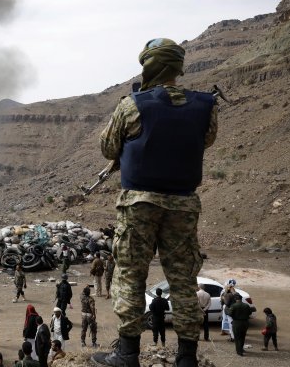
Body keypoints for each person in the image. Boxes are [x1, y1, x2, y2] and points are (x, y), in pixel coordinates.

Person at [92, 38, 218, 367]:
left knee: (130, 276)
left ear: (149, 66)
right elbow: (203, 141)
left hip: (138, 205)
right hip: (183, 205)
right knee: (183, 280)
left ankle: (127, 353)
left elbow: (108, 147)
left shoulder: (132, 105)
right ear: (177, 67)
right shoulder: (206, 107)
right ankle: (187, 358)